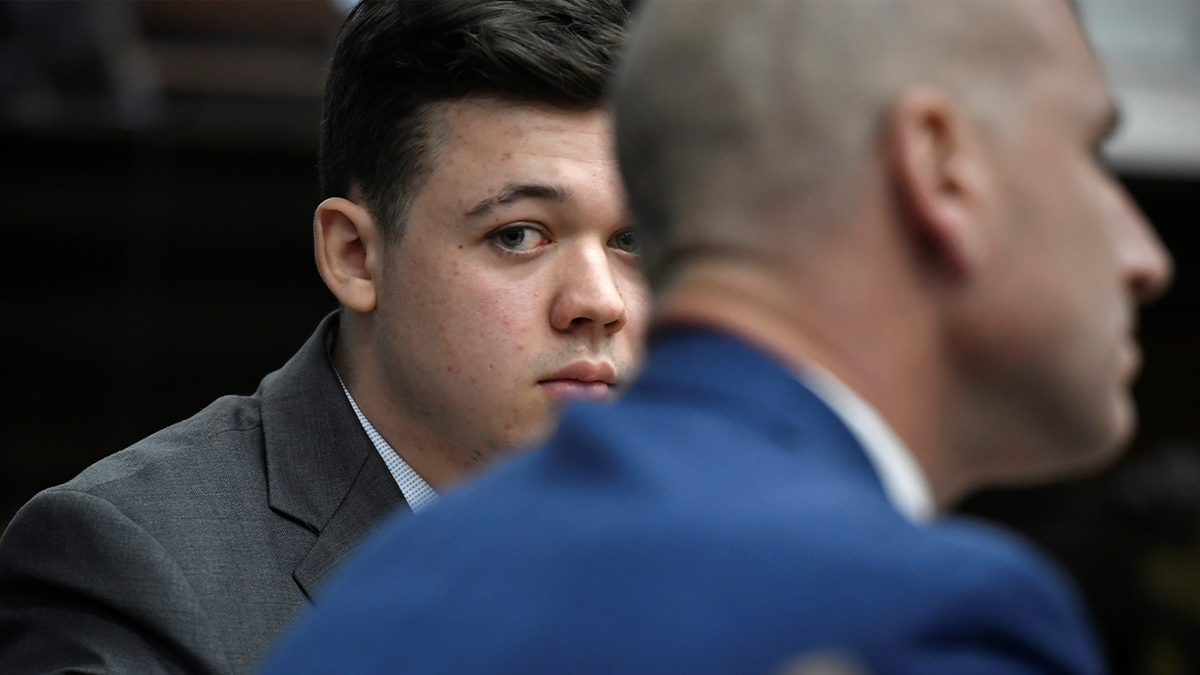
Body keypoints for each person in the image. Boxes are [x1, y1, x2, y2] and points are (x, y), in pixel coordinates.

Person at [260, 1, 1174, 674]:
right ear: (938, 168)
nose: (1145, 254)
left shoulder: (390, 587)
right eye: (1089, 150)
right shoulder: (920, 615)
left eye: (630, 241)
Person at [0, 1, 646, 673]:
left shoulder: (711, 535)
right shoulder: (132, 566)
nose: (599, 301)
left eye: (634, 239)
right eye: (518, 235)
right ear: (355, 256)